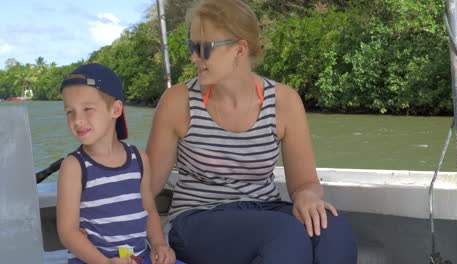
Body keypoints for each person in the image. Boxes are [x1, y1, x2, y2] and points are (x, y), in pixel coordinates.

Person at [146, 0, 357, 263]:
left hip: (265, 210)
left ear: (240, 49)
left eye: (203, 48)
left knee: (333, 230)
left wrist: (306, 197)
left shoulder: (283, 101)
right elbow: (147, 187)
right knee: (283, 234)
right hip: (198, 218)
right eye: (192, 46)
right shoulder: (178, 102)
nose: (193, 57)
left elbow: (305, 183)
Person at [56, 63, 178, 264]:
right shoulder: (74, 166)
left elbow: (148, 209)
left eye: (88, 109)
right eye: (70, 111)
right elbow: (68, 232)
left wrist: (158, 244)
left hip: (139, 257)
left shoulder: (138, 159)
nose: (77, 120)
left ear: (115, 109)